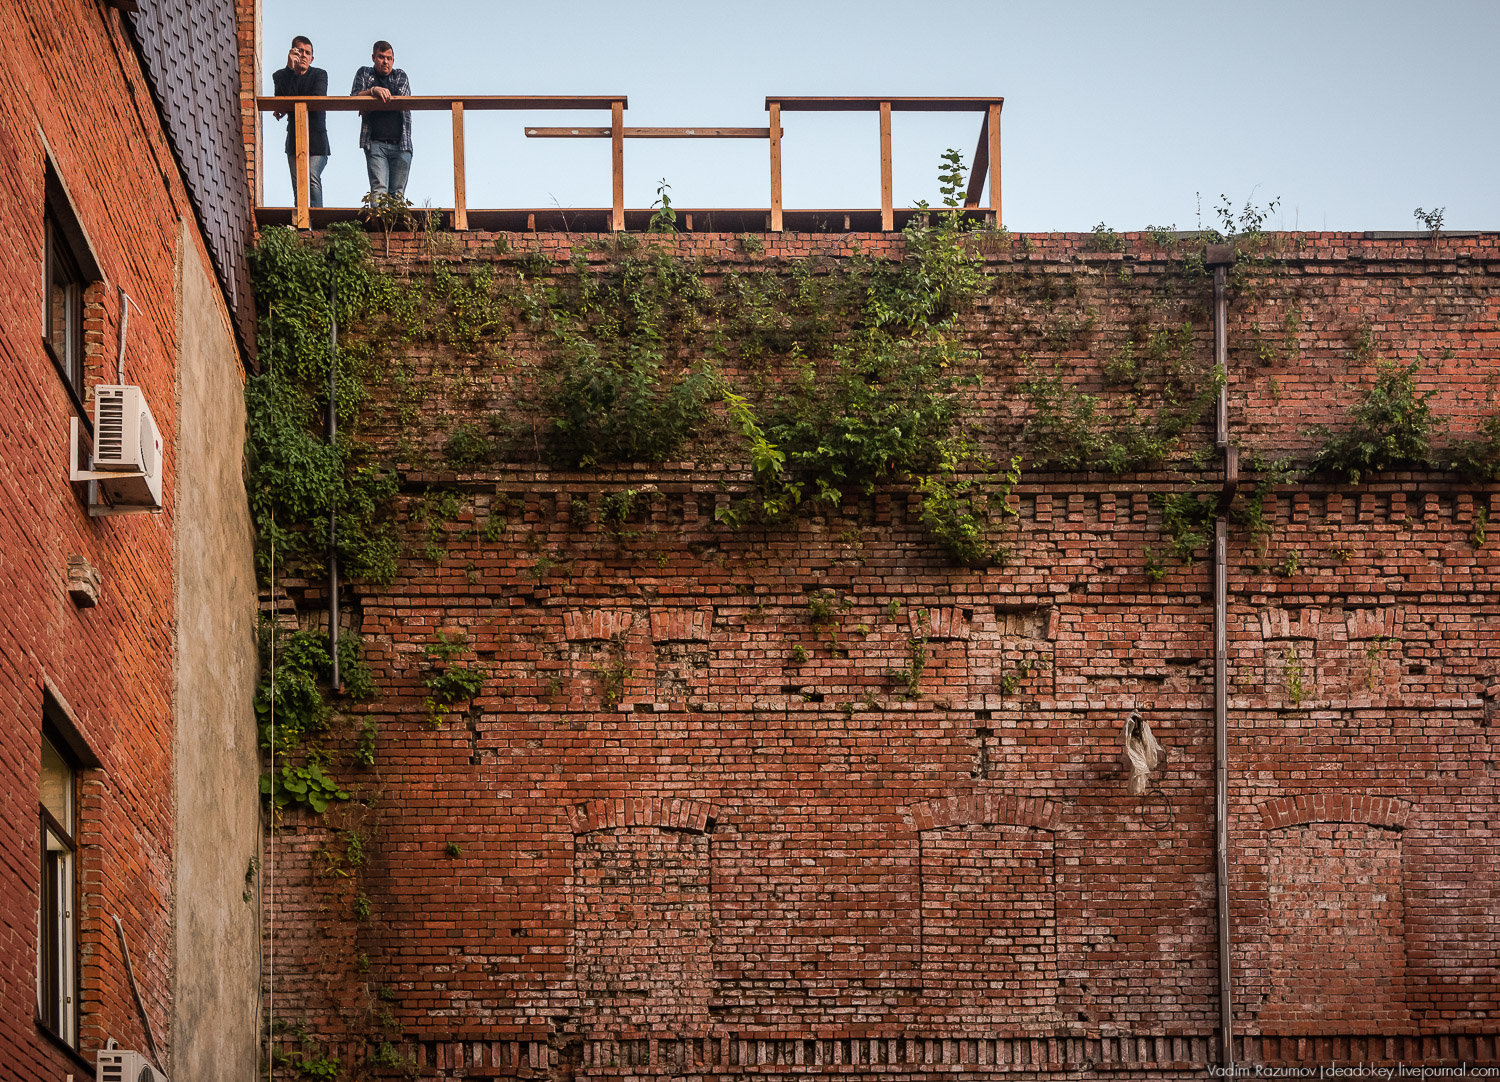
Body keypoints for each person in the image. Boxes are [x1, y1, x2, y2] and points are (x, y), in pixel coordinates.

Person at [271, 36, 329, 207]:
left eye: (307, 53)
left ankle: (316, 218)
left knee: (311, 176)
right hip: (294, 140)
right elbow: (281, 101)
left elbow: (316, 99)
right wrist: (290, 69)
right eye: (300, 51)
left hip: (317, 140)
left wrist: (286, 106)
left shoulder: (319, 75)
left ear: (312, 58)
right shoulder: (280, 76)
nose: (303, 55)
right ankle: (301, 220)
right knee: (298, 185)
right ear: (292, 53)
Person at [350, 41, 412, 199]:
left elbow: (400, 99)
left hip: (402, 143)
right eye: (381, 57)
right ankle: (378, 217)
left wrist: (368, 102)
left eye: (389, 58)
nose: (385, 62)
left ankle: (394, 218)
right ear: (373, 57)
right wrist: (373, 90)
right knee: (379, 190)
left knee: (397, 194)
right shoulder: (364, 73)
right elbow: (354, 98)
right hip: (375, 142)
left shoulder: (400, 75)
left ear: (393, 60)